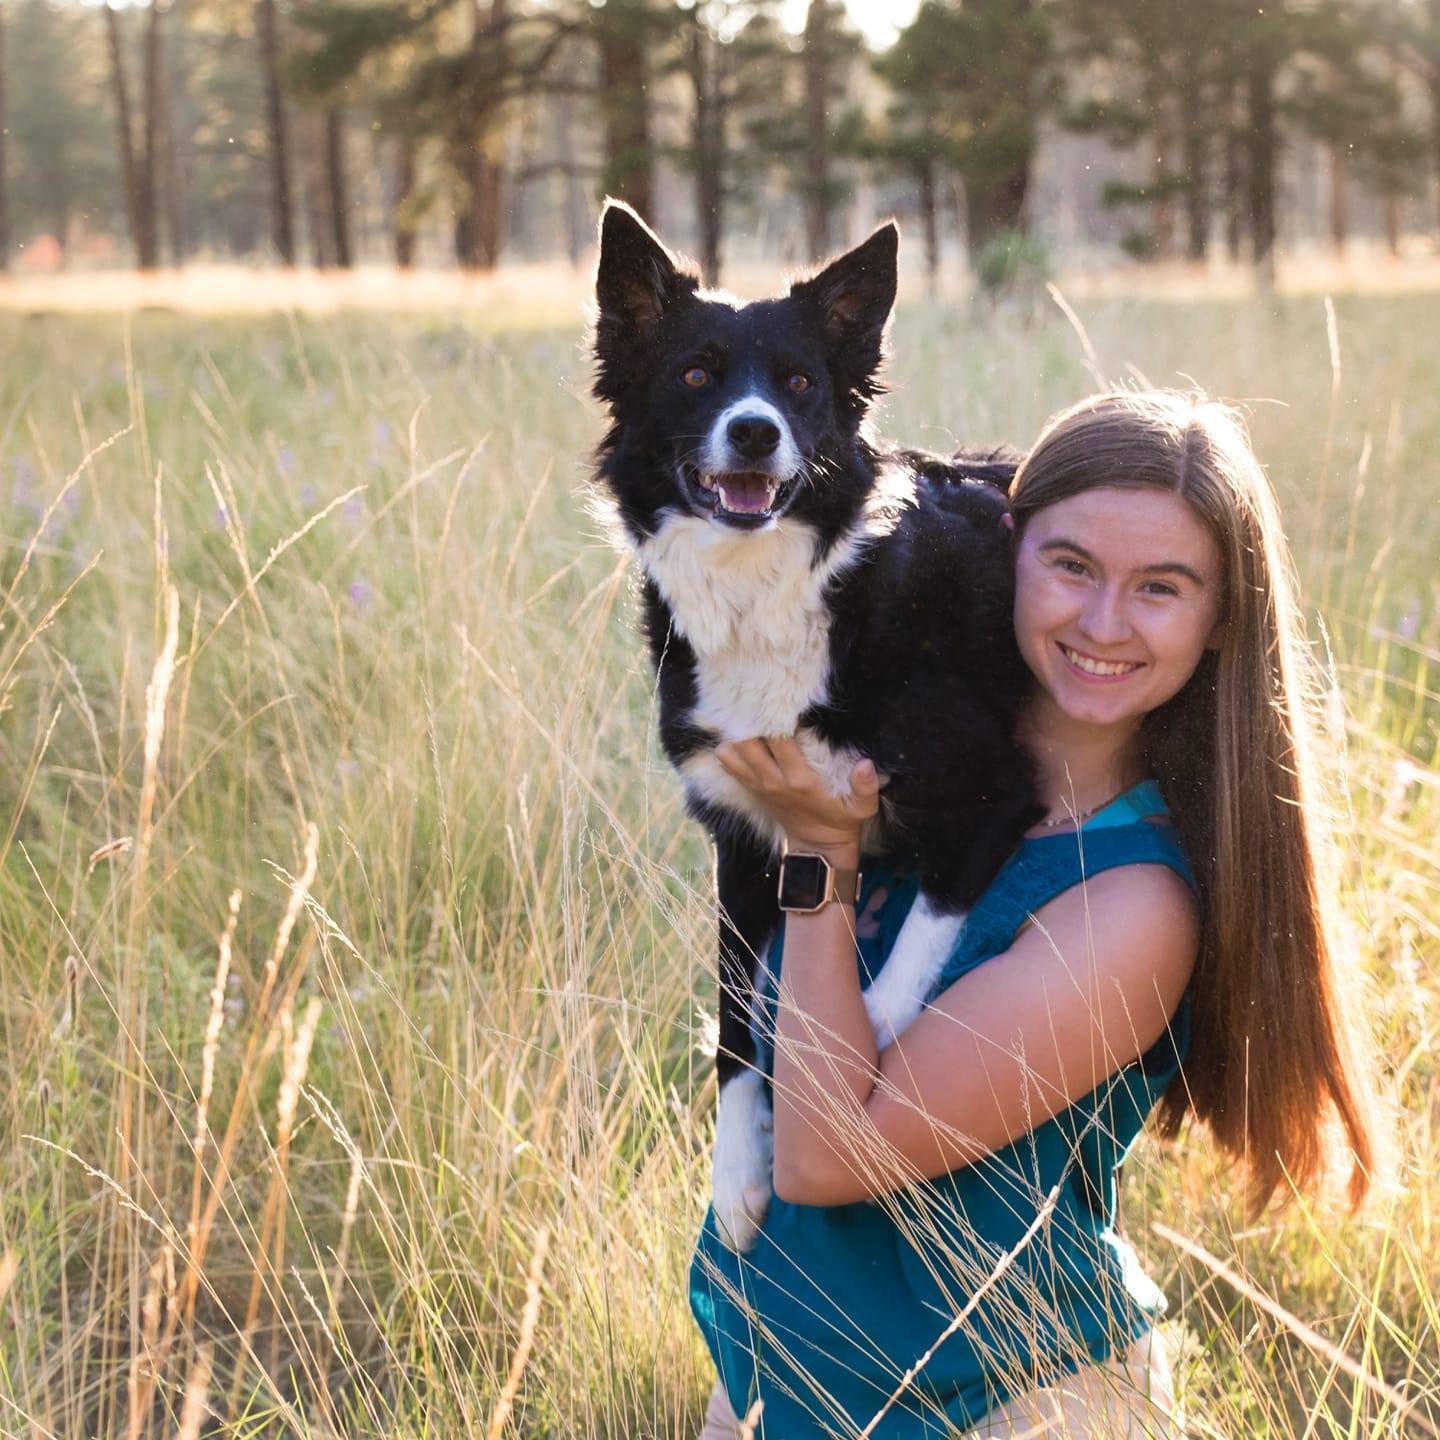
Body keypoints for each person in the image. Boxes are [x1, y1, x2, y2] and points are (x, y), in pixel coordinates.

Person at [688, 390, 1381, 1439]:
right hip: (783, 1382)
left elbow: (827, 1159)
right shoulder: (891, 770)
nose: (1103, 623)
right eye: (1071, 566)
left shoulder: (1133, 906)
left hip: (1013, 1403)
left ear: (1220, 621)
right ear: (1003, 547)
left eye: (1161, 588)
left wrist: (819, 855)